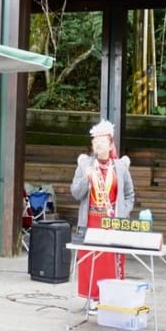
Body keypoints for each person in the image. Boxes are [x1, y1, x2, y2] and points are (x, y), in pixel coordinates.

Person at [70, 119, 135, 307]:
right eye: (95, 140)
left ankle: (110, 299)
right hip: (90, 220)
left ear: (111, 144)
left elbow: (129, 194)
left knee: (109, 261)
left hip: (112, 222)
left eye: (102, 140)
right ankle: (92, 299)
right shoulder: (85, 165)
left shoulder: (120, 167)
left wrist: (122, 212)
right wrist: (86, 179)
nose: (98, 144)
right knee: (91, 260)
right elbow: (75, 193)